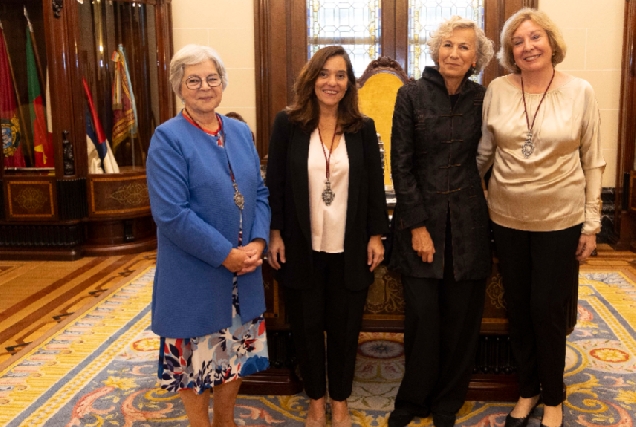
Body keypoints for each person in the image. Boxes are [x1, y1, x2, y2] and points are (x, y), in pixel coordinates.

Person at [477, 8, 605, 427]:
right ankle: (527, 390)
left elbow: (594, 160)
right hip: (506, 216)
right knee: (517, 308)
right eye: (518, 41)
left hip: (559, 218)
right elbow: (484, 152)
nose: (528, 46)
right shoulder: (497, 88)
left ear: (551, 43)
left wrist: (591, 223)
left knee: (547, 309)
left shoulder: (580, 91)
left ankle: (554, 397)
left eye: (535, 38)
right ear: (510, 51)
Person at [146, 44, 271, 427]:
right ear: (180, 88)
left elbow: (260, 194)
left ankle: (226, 421)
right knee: (195, 361)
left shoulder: (238, 131)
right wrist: (226, 254)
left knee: (232, 355)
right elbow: (171, 214)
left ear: (222, 83)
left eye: (211, 79)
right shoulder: (167, 138)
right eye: (193, 80)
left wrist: (258, 242)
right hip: (194, 274)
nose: (204, 87)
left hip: (243, 272)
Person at [266, 45, 389, 427]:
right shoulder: (288, 124)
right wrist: (274, 233)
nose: (331, 82)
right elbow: (277, 184)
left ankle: (340, 400)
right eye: (324, 74)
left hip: (349, 248)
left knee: (344, 328)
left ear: (349, 83)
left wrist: (375, 235)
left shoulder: (362, 127)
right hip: (302, 245)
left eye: (340, 75)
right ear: (311, 78)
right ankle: (316, 400)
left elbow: (373, 188)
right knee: (305, 327)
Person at [387, 16, 494, 427]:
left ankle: (448, 402)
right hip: (421, 223)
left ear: (476, 58)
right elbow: (402, 164)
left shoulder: (484, 98)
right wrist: (416, 227)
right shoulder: (410, 96)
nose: (454, 53)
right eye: (448, 45)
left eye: (464, 47)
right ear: (435, 51)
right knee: (423, 321)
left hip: (469, 225)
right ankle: (413, 400)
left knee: (462, 322)